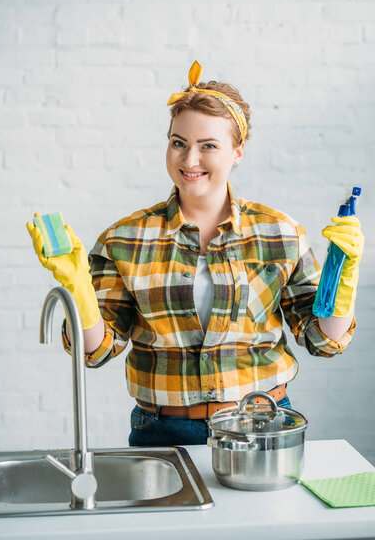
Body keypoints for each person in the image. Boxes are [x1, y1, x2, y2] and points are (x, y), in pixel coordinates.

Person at [27, 60, 364, 448]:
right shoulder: (125, 239)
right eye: (178, 143)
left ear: (237, 151)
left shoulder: (279, 233)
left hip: (262, 425)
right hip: (163, 432)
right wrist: (76, 284)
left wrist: (345, 271)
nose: (189, 161)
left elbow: (323, 340)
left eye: (209, 146)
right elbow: (97, 350)